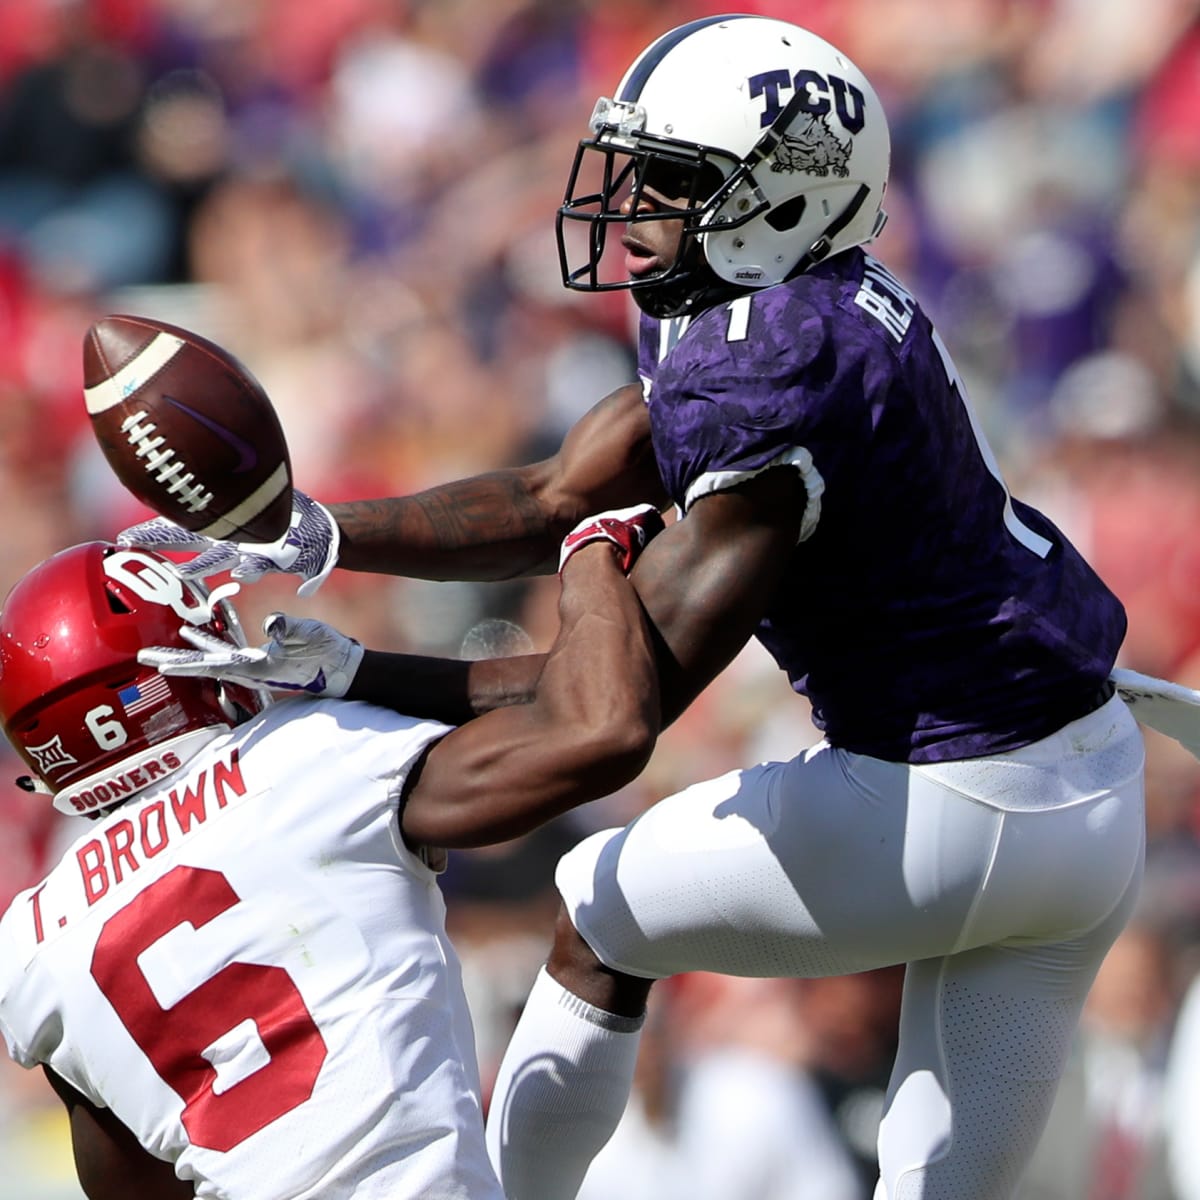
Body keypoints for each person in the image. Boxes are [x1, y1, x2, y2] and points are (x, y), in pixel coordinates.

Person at [118, 13, 1200, 1200]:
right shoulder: (790, 295)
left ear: (784, 196)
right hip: (1088, 799)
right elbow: (558, 493)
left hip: (947, 795)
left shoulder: (773, 365)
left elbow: (604, 721)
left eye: (674, 182)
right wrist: (309, 532)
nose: (635, 208)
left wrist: (379, 667)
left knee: (597, 913)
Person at [0, 505, 662, 1200]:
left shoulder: (33, 946)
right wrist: (590, 546)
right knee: (608, 896)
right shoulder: (304, 755)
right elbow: (600, 727)